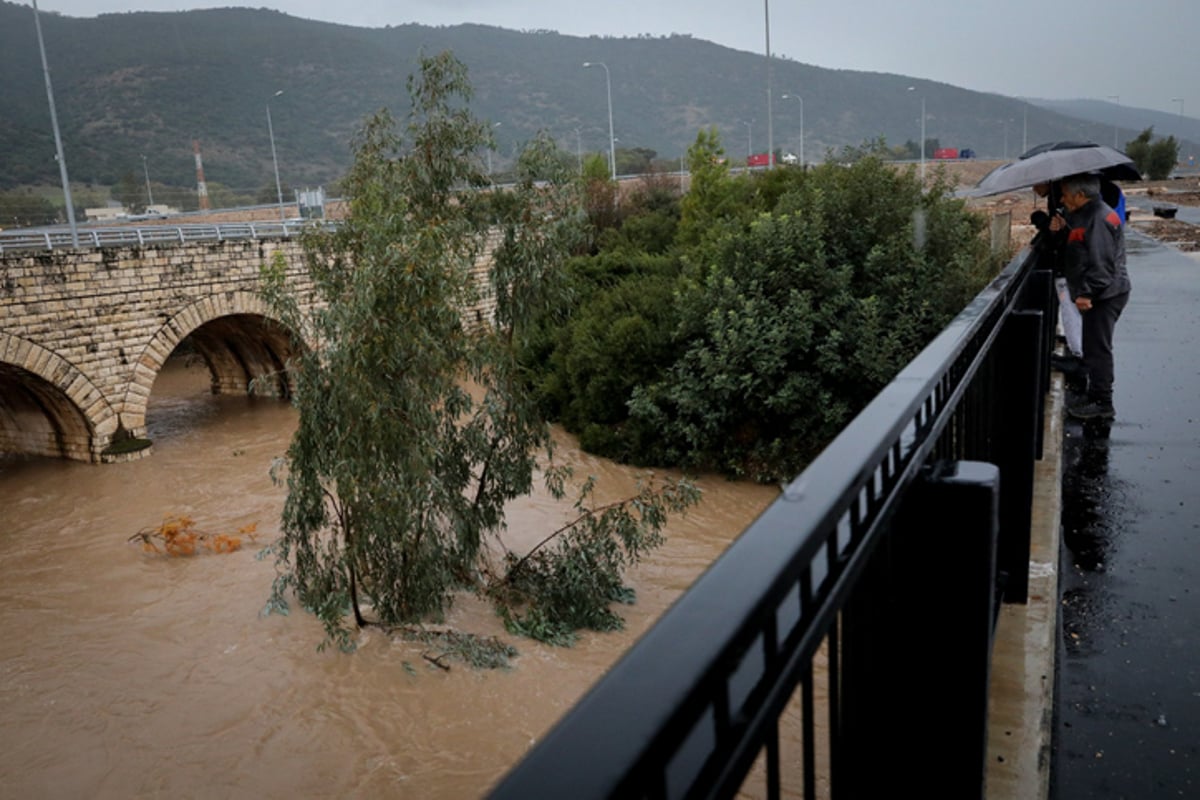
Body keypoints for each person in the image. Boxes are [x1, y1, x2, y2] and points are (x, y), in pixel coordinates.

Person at [1057, 172, 1131, 420]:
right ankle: (1095, 395)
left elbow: (1102, 266)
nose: (1062, 198)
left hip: (1106, 294)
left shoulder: (1099, 218)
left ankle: (1103, 402)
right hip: (1102, 292)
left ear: (1080, 195)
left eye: (1065, 194)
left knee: (1098, 349)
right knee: (1092, 346)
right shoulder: (1085, 214)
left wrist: (1086, 293)